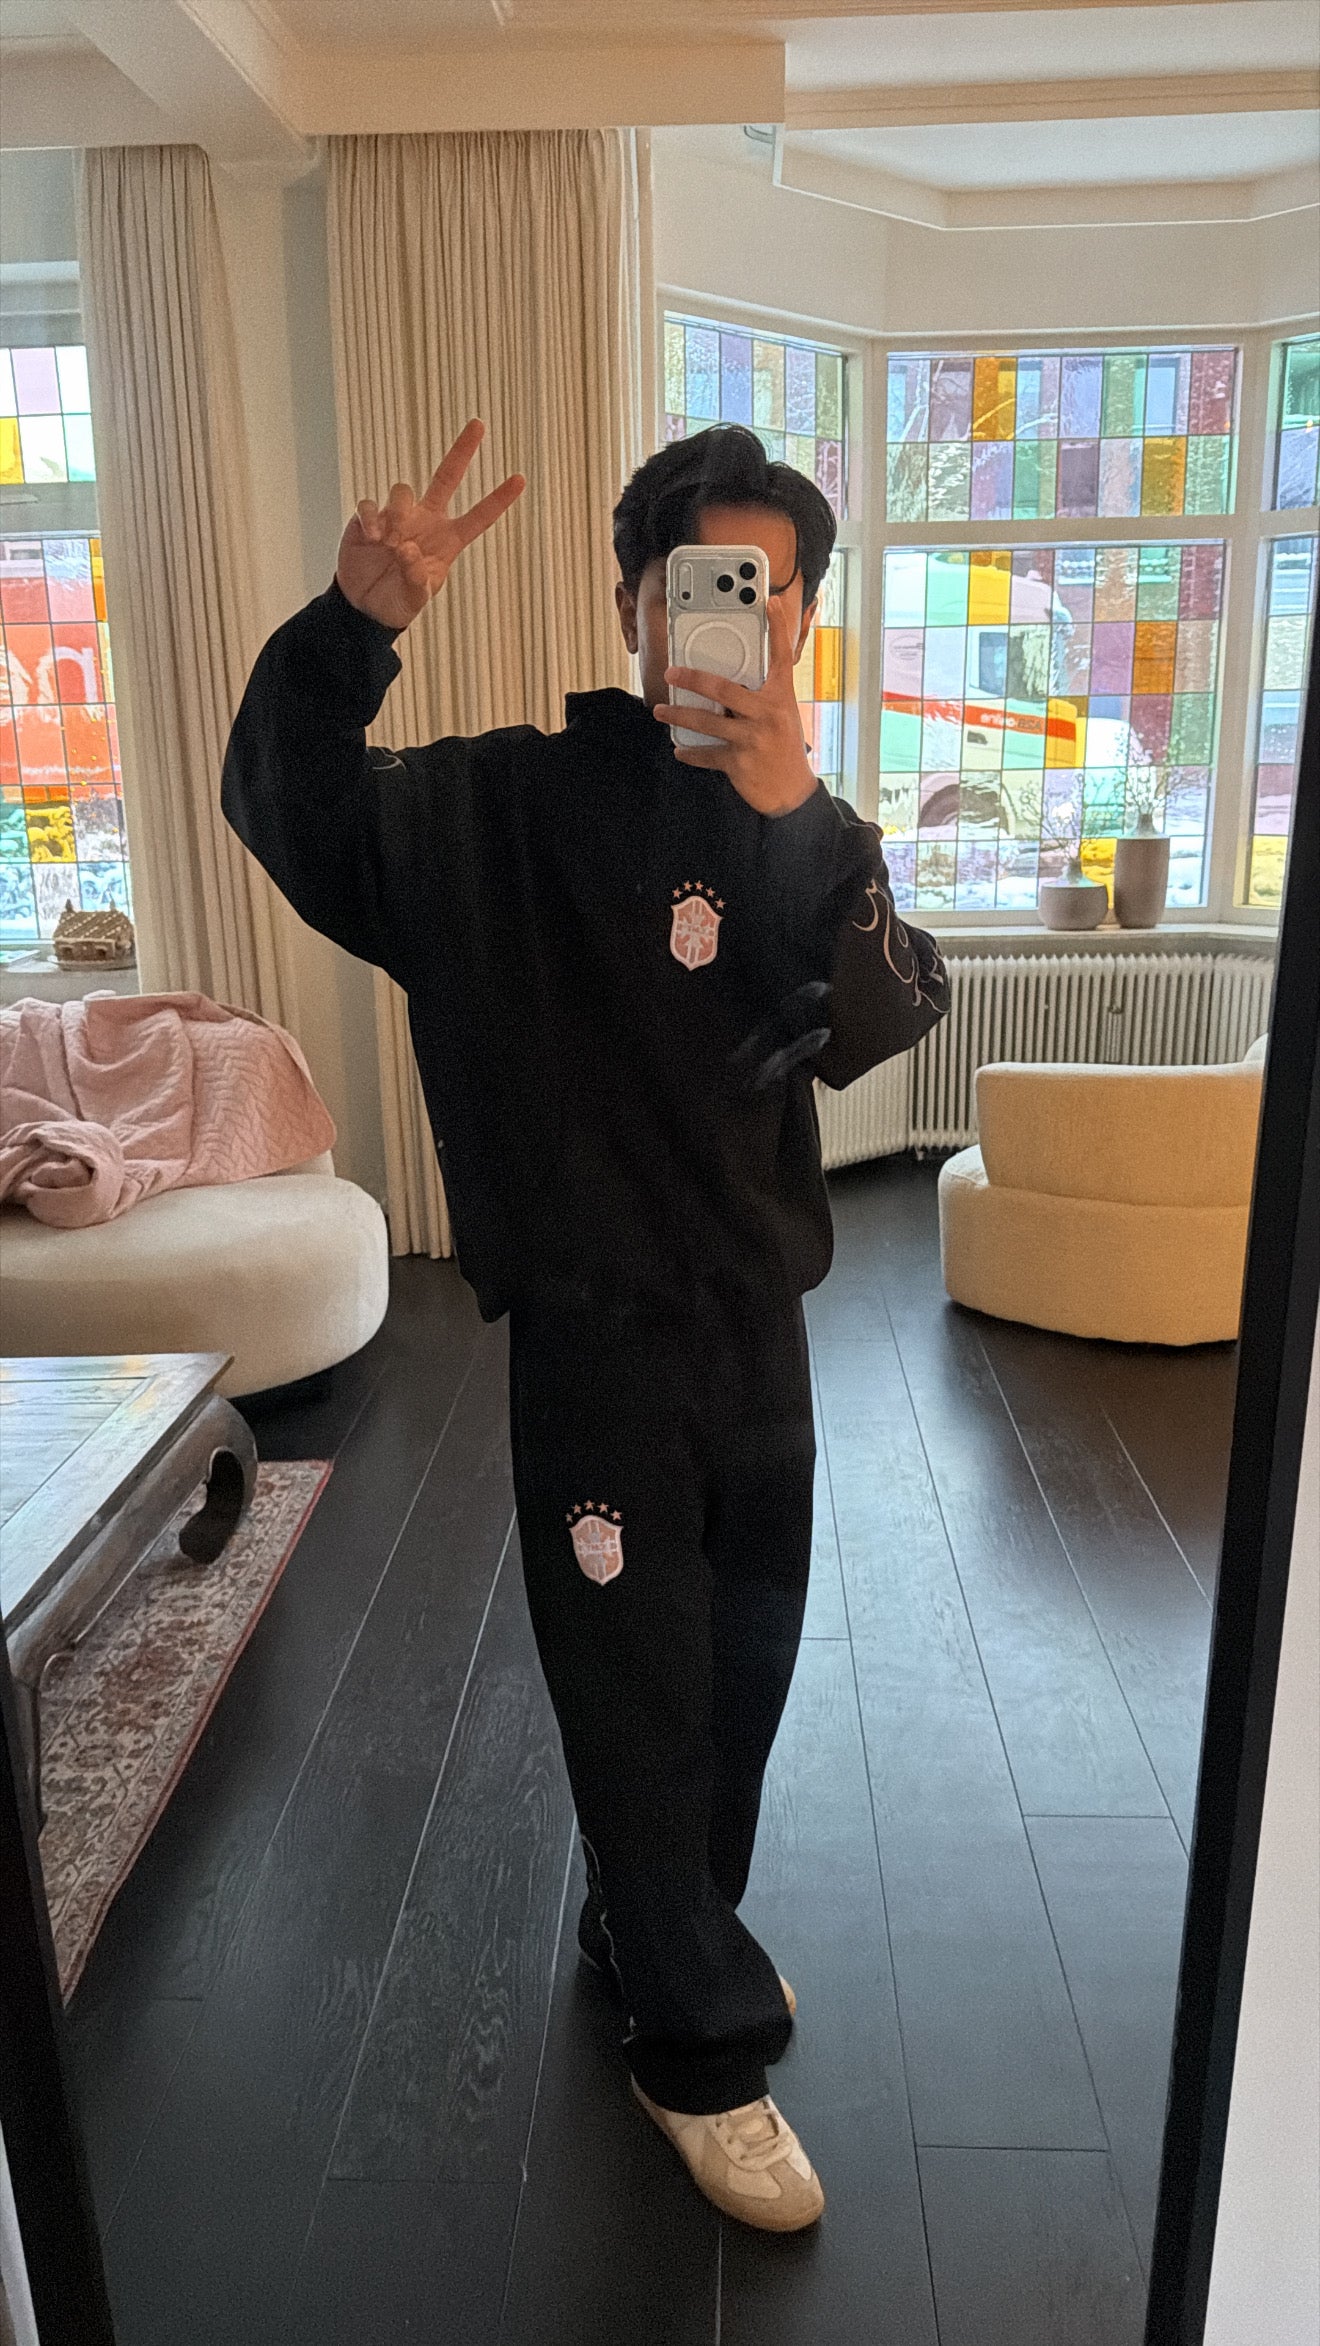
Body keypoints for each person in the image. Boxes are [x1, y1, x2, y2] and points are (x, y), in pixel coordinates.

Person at [222, 416, 949, 2234]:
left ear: (802, 618)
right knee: (639, 1687)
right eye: (698, 579)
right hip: (597, 1348)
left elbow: (891, 1012)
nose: (732, 615)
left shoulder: (801, 825)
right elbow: (296, 810)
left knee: (745, 1676)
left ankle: (655, 1926)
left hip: (761, 1337)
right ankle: (697, 2053)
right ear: (632, 598)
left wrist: (800, 813)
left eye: (768, 589)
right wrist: (350, 627)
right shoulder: (503, 809)